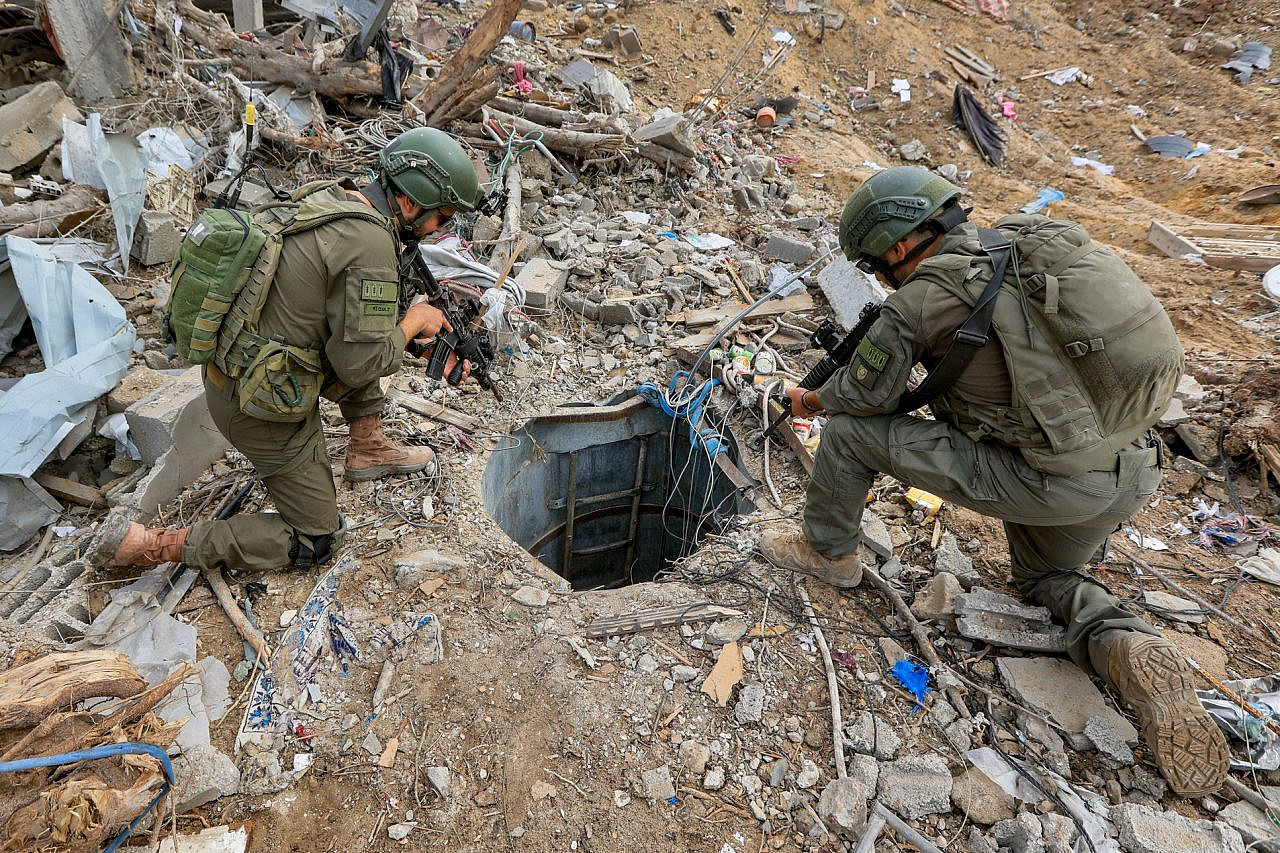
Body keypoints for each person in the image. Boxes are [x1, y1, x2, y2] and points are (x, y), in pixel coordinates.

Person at [758, 166, 1229, 797]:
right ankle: (1119, 644)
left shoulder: (921, 298)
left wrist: (809, 400)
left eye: (875, 263)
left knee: (847, 436)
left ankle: (828, 554)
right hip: (1128, 468)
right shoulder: (1021, 245)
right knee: (1045, 579)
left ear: (898, 247)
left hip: (1044, 480)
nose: (879, 276)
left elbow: (862, 402)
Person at [90, 127, 478, 574]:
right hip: (261, 404)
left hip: (236, 369)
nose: (440, 230)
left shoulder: (338, 198)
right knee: (316, 539)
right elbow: (360, 364)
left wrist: (412, 338)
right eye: (442, 218)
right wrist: (413, 323)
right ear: (410, 202)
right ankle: (152, 545)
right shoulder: (370, 243)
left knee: (372, 338)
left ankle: (367, 446)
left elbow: (347, 327)